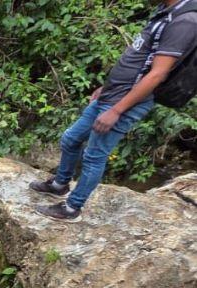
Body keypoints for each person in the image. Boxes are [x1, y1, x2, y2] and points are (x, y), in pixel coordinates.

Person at [32, 0, 197, 221]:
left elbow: (157, 74)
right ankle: (60, 184)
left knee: (94, 155)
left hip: (125, 102)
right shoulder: (165, 12)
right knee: (71, 139)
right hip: (112, 93)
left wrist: (117, 110)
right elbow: (139, 59)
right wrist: (106, 87)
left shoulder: (185, 21)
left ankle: (72, 208)